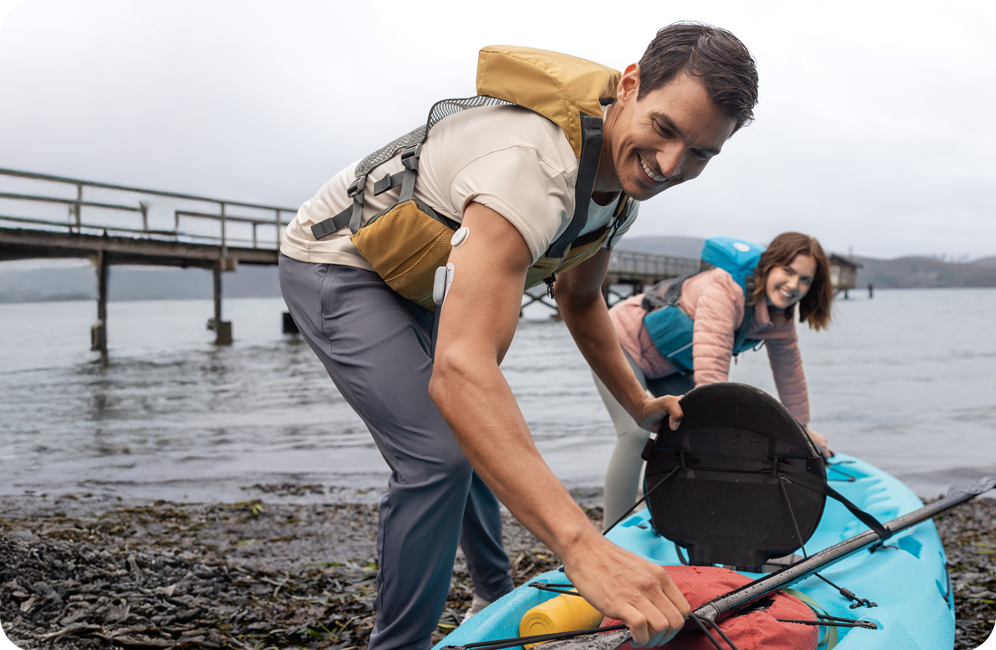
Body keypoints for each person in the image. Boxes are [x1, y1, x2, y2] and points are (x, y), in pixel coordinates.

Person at [278, 22, 759, 650]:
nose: (671, 165)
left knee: (476, 425)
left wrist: (639, 403)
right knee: (438, 453)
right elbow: (462, 372)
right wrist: (581, 546)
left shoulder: (618, 194)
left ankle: (491, 589)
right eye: (665, 129)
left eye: (700, 153)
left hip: (420, 279)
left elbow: (580, 298)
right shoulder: (531, 168)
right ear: (632, 84)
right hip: (339, 263)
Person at [595, 232, 835, 525]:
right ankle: (611, 533)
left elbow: (790, 372)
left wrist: (803, 430)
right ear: (770, 264)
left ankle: (660, 516)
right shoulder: (725, 291)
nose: (794, 285)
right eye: (788, 271)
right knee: (635, 433)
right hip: (619, 343)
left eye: (805, 280)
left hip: (668, 366)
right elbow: (711, 377)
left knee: (687, 428)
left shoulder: (779, 318)